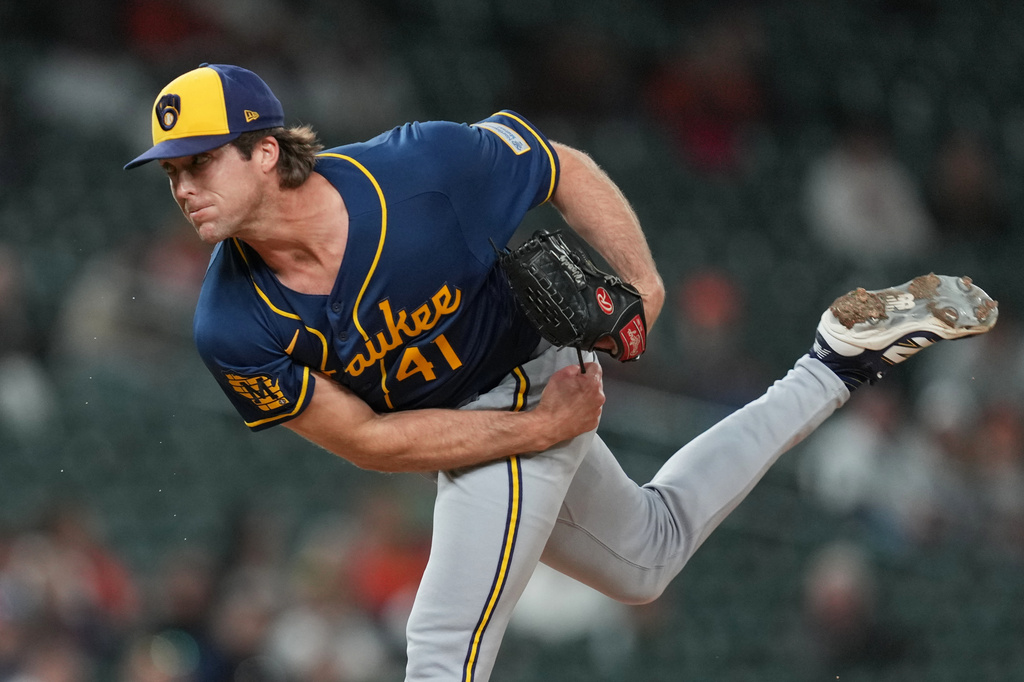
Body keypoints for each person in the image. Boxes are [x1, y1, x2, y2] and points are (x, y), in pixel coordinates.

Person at [125, 63, 998, 681]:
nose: (183, 186)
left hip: (529, 363)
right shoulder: (229, 321)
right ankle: (832, 363)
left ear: (266, 151)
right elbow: (363, 438)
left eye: (199, 161)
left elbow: (560, 166)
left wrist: (645, 285)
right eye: (171, 173)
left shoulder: (419, 169)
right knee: (646, 555)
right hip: (486, 422)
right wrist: (539, 432)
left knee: (438, 645)